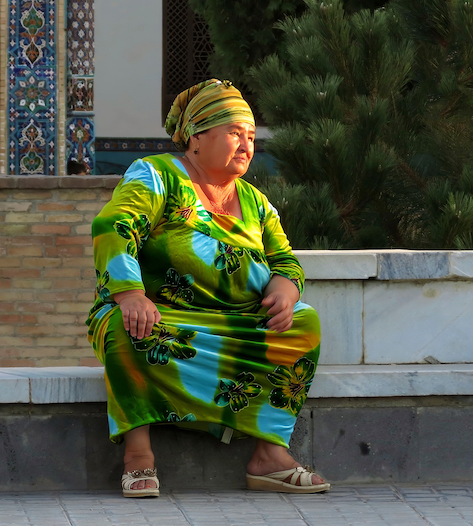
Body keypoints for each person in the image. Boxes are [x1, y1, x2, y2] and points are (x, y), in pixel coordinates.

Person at [87, 79, 328, 498]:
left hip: (236, 325)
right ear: (198, 137)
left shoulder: (255, 201)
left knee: (303, 322)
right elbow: (116, 225)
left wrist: (285, 289)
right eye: (235, 133)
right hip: (163, 316)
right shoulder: (157, 175)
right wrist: (130, 294)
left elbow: (285, 260)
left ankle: (270, 456)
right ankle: (138, 456)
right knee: (124, 326)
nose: (246, 145)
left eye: (251, 136)